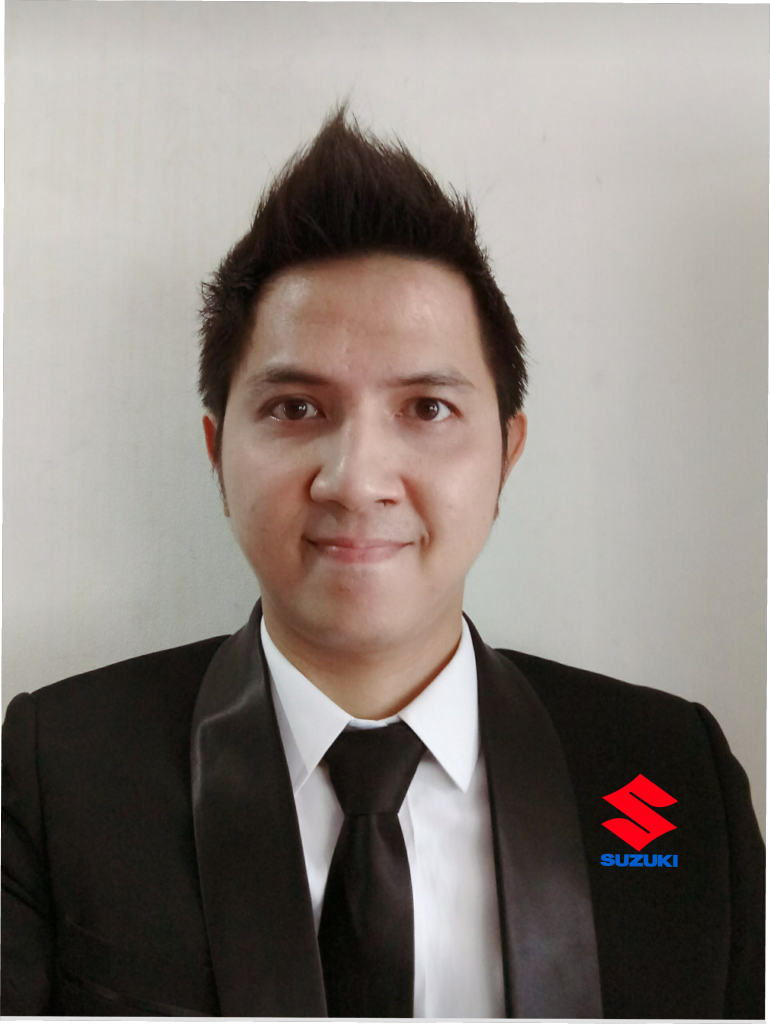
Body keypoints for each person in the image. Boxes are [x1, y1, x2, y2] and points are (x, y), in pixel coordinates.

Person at [1, 109, 764, 1021]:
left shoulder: (668, 773)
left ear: (506, 454)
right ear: (216, 453)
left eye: (427, 408)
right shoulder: (61, 771)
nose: (357, 480)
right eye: (295, 408)